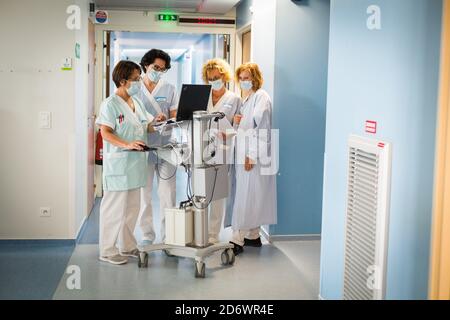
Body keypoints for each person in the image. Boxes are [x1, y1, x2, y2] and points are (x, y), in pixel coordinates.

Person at [96, 60, 156, 265]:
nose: (140, 82)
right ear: (123, 81)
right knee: (114, 210)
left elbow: (146, 126)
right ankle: (107, 250)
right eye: (136, 79)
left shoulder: (136, 101)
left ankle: (127, 245)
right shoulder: (110, 104)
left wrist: (162, 123)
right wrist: (127, 144)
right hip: (119, 165)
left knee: (132, 209)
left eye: (139, 78)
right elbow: (105, 132)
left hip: (135, 165)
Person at [229, 63, 277, 255]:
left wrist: (252, 155)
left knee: (246, 196)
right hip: (244, 153)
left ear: (255, 78)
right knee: (252, 193)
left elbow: (262, 128)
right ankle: (253, 235)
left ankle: (236, 239)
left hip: (252, 155)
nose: (243, 81)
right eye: (241, 78)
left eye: (247, 78)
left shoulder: (261, 97)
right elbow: (244, 126)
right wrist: (236, 121)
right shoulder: (246, 99)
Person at [136, 49, 179, 245]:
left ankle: (168, 237)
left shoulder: (169, 88)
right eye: (156, 67)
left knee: (168, 194)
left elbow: (175, 116)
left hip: (165, 146)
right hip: (143, 147)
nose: (158, 71)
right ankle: (147, 235)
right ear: (146, 65)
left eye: (163, 69)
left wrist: (166, 118)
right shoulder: (134, 87)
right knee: (144, 194)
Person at [201, 58, 242, 244]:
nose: (214, 81)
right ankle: (199, 231)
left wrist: (229, 134)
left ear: (224, 76)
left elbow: (239, 126)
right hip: (202, 147)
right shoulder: (203, 96)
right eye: (210, 78)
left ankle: (212, 234)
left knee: (217, 195)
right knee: (201, 191)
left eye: (217, 77)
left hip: (224, 150)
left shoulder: (234, 98)